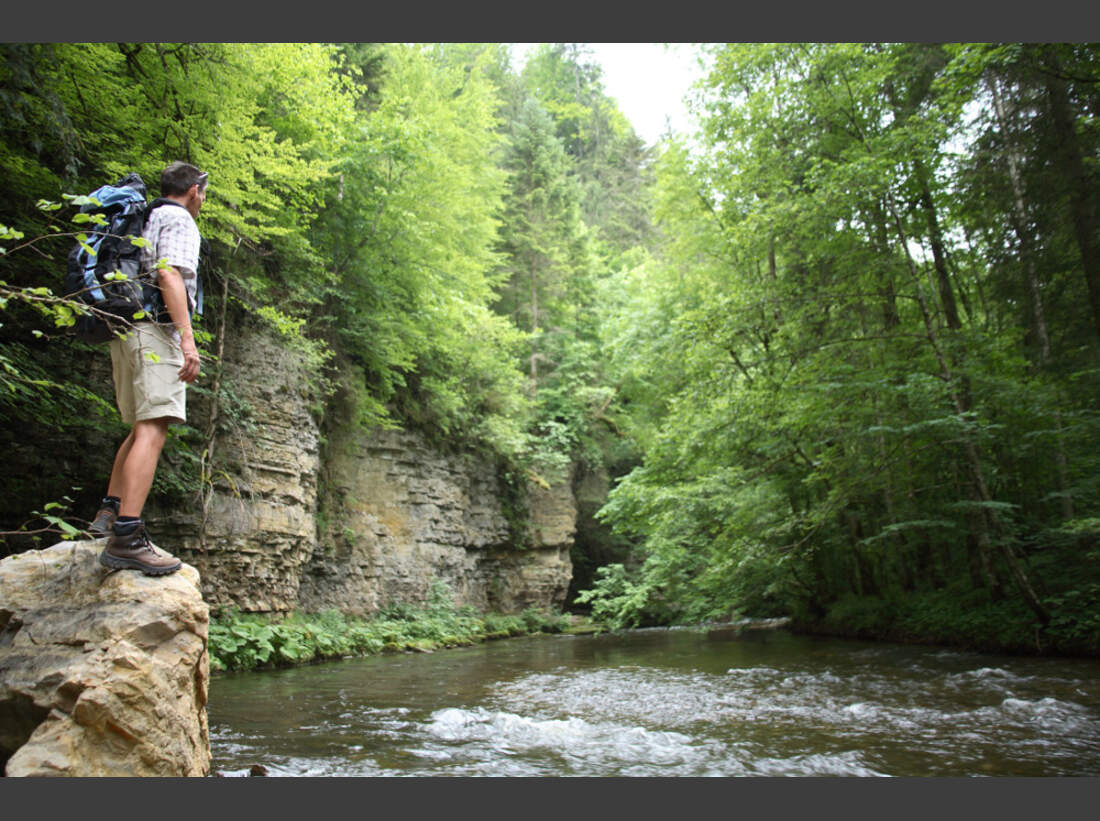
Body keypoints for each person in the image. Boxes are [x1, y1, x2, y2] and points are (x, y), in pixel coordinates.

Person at [89, 161, 207, 575]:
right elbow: (169, 274)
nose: (203, 199)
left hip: (125, 326)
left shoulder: (149, 215)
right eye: (203, 192)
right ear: (195, 190)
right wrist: (187, 339)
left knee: (142, 424)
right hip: (154, 330)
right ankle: (127, 536)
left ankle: (109, 514)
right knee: (155, 425)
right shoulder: (178, 219)